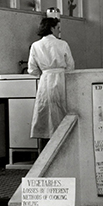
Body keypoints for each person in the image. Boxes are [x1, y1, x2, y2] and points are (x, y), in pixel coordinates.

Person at [27, 8, 75, 146]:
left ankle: (45, 152)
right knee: (62, 113)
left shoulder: (36, 46)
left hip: (45, 81)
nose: (58, 30)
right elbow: (70, 66)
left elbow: (32, 69)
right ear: (52, 28)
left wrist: (44, 72)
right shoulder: (62, 44)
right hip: (61, 80)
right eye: (57, 28)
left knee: (45, 114)